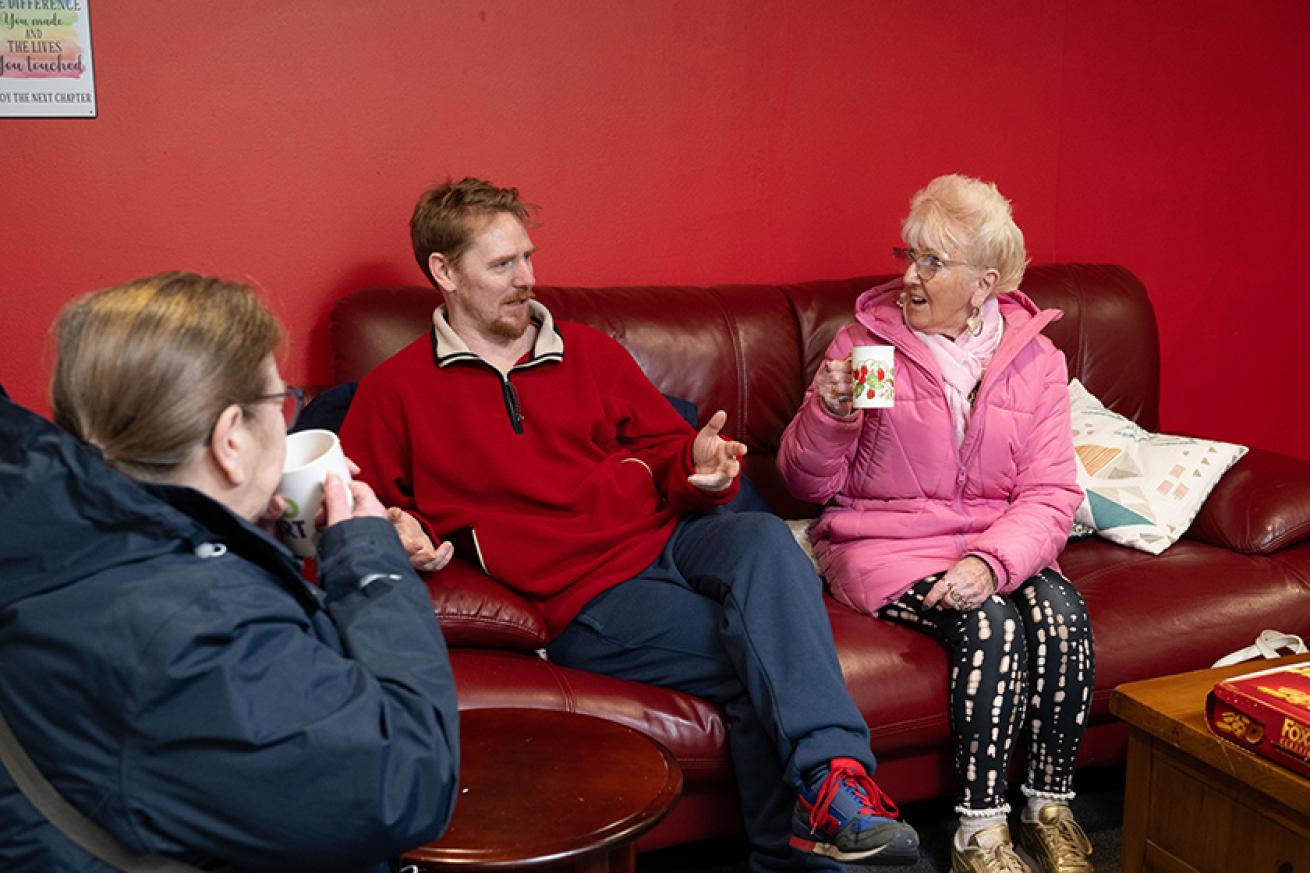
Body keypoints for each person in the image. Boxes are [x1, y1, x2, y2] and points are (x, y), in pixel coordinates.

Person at [340, 177, 919, 871]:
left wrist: (700, 462)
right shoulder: (395, 391)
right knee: (760, 662)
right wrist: (399, 527)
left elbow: (664, 449)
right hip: (590, 594)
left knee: (764, 538)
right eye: (502, 265)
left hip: (674, 533)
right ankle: (803, 844)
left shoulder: (588, 351)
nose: (527, 278)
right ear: (443, 271)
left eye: (527, 256)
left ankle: (833, 782)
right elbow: (355, 504)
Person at [0, 273, 459, 872]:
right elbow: (409, 779)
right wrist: (369, 558)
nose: (287, 415)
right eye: (280, 401)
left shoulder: (53, 529)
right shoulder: (202, 636)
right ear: (229, 441)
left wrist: (238, 527)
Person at [777, 174, 1095, 873]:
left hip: (989, 538)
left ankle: (1050, 805)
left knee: (1062, 607)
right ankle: (979, 833)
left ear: (985, 284)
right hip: (885, 542)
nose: (908, 278)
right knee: (992, 622)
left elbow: (1049, 491)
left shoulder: (1035, 361)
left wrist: (990, 563)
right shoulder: (871, 347)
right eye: (908, 255)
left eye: (931, 262)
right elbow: (809, 484)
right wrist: (829, 416)